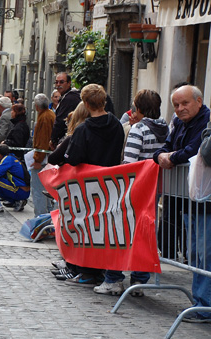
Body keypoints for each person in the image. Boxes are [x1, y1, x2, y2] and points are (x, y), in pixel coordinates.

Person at [93, 89, 169, 296]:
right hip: (155, 188)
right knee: (145, 234)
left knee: (120, 232)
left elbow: (129, 162)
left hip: (135, 189)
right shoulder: (164, 127)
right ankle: (140, 281)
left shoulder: (139, 129)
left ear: (139, 107)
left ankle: (114, 279)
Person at [153, 85, 211, 322]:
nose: (180, 109)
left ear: (198, 101)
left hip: (204, 201)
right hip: (186, 200)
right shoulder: (177, 121)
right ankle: (200, 301)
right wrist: (161, 155)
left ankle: (203, 304)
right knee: (194, 253)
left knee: (203, 254)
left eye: (184, 103)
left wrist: (171, 158)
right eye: (176, 105)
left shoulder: (206, 121)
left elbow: (195, 151)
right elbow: (167, 146)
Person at [63, 84, 125, 287]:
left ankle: (87, 271)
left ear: (86, 104)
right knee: (104, 229)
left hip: (86, 186)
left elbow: (73, 158)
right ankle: (100, 270)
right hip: (109, 185)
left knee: (85, 228)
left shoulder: (83, 129)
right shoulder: (116, 125)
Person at [0, 145, 30, 212]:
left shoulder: (7, 159)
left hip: (19, 190)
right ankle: (17, 201)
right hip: (24, 191)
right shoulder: (13, 157)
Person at [31, 93, 56, 216]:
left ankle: (40, 217)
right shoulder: (49, 114)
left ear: (36, 106)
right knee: (44, 190)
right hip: (46, 159)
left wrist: (37, 159)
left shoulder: (44, 117)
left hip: (42, 160)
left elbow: (42, 140)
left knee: (38, 189)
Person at [50, 72, 81, 148]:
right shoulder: (67, 97)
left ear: (69, 83)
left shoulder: (69, 98)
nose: (58, 84)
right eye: (56, 82)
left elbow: (60, 121)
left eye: (61, 82)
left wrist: (53, 139)